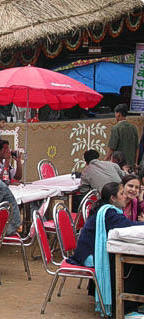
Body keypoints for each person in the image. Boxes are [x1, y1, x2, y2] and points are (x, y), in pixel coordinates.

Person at [67, 182, 144, 317]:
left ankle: (132, 301)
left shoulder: (108, 210)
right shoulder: (108, 212)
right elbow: (128, 225)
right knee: (132, 264)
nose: (125, 196)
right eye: (122, 194)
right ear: (113, 198)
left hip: (88, 251)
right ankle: (126, 307)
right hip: (88, 256)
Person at [105, 104, 138, 168]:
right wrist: (135, 162)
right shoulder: (134, 128)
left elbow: (112, 147)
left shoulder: (116, 128)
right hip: (131, 164)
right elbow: (137, 148)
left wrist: (105, 160)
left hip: (119, 164)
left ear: (118, 114)